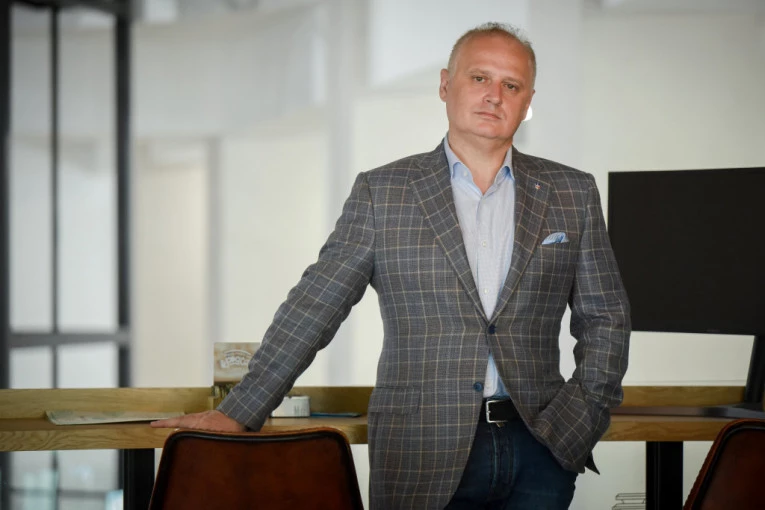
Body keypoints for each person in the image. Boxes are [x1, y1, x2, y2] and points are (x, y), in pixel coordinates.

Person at [153, 22, 630, 510]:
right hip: (419, 448)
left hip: (540, 447)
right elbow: (315, 307)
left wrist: (581, 418)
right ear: (445, 84)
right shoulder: (383, 193)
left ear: (528, 100)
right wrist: (240, 410)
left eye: (512, 85)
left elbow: (606, 317)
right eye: (479, 78)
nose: (494, 96)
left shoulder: (572, 192)